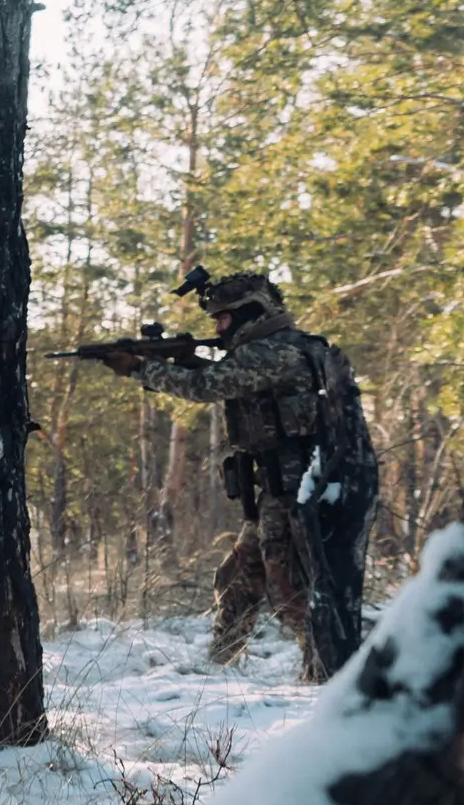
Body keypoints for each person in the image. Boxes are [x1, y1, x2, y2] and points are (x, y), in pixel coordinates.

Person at [98, 272, 379, 682]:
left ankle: (333, 673)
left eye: (223, 319)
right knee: (239, 578)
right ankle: (219, 668)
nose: (217, 328)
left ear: (252, 311)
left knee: (289, 592)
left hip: (296, 490)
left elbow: (205, 386)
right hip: (278, 488)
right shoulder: (284, 348)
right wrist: (173, 360)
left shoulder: (274, 353)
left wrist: (141, 370)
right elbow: (224, 379)